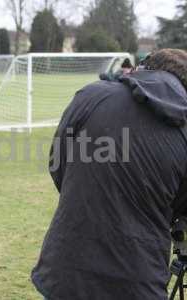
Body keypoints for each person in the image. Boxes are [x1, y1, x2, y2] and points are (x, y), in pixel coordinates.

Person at [31, 49, 187, 300]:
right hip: (139, 279)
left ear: (143, 69)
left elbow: (58, 163)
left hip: (66, 270)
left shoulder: (90, 95)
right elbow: (180, 206)